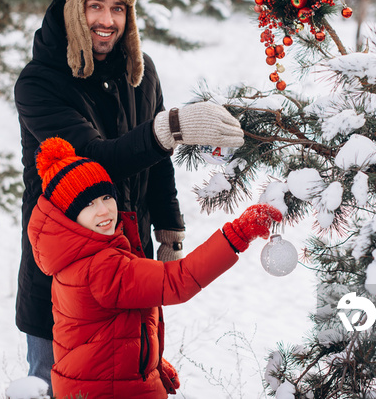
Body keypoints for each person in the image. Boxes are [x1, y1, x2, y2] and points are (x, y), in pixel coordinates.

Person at [13, 0, 245, 387]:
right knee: (55, 382)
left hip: (129, 257)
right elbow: (92, 162)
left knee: (127, 378)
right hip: (66, 271)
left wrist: (170, 228)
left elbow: (156, 162)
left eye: (118, 9)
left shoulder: (139, 72)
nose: (106, 20)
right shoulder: (39, 83)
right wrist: (169, 128)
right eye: (95, 6)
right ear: (73, 10)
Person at [29, 137, 282, 398]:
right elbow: (178, 281)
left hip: (102, 383)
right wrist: (237, 234)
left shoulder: (76, 255)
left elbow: (108, 335)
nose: (103, 211)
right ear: (69, 215)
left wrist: (149, 364)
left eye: (106, 197)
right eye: (87, 204)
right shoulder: (100, 267)